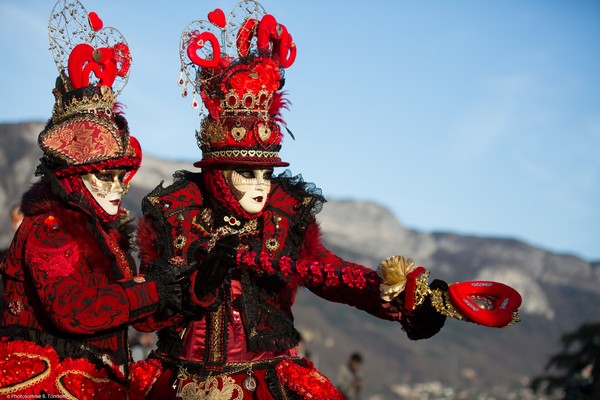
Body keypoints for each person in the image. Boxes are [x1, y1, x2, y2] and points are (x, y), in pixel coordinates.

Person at [134, 2, 522, 399]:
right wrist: (194, 284)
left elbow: (333, 276)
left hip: (265, 385)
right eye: (247, 173)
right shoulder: (173, 213)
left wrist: (401, 297)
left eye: (267, 174)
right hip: (177, 383)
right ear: (216, 173)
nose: (261, 186)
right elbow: (145, 312)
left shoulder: (284, 216)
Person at [0, 0, 191, 397]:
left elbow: (136, 316)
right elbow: (75, 310)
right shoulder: (49, 227)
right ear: (73, 176)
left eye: (122, 175)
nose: (119, 187)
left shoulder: (108, 236)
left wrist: (189, 286)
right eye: (106, 175)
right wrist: (155, 288)